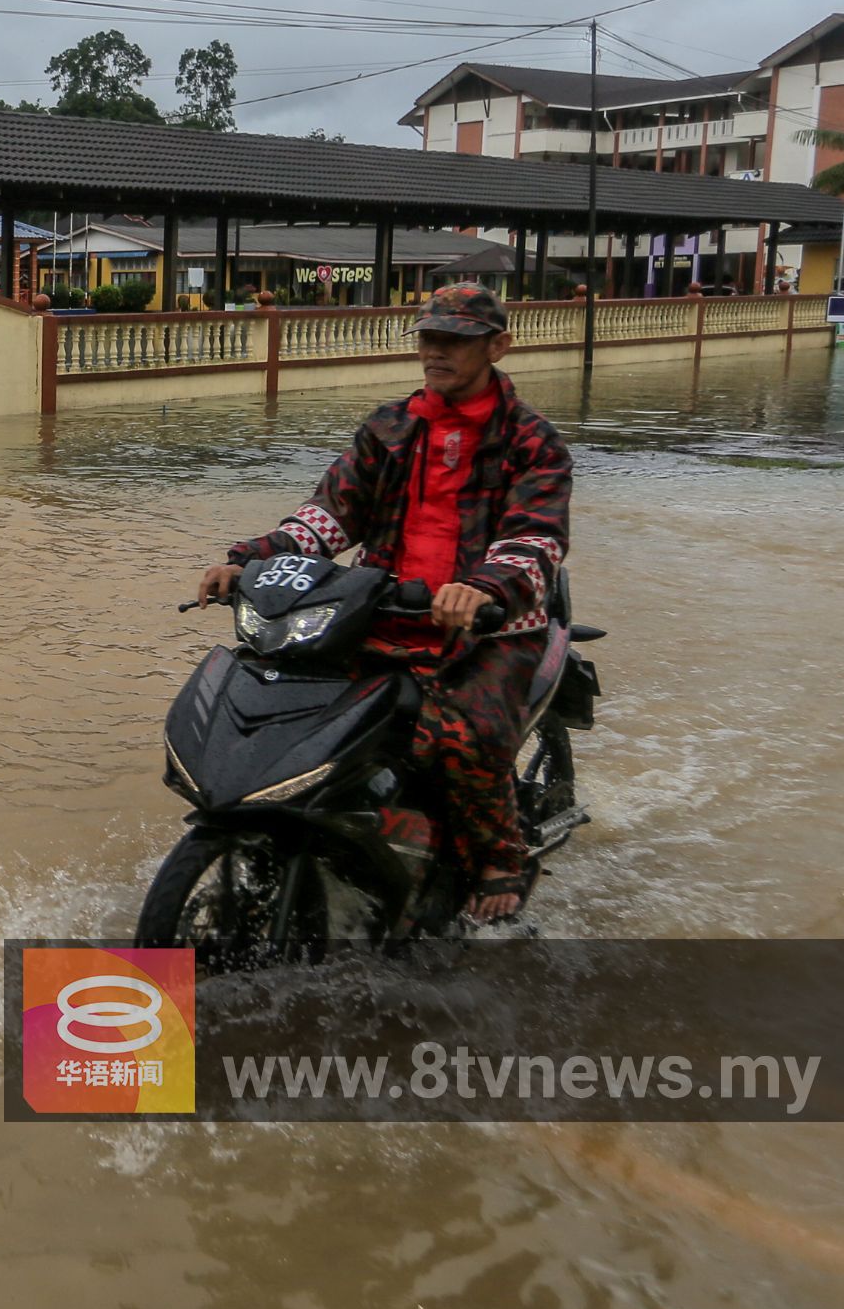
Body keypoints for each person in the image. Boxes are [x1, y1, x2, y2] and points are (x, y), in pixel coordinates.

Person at [193, 284, 572, 922]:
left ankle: (501, 858)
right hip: (381, 613)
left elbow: (535, 537)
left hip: (491, 630)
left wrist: (483, 588)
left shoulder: (532, 441)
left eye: (455, 339)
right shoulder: (389, 427)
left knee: (457, 733)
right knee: (291, 703)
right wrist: (250, 557)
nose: (437, 350)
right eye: (430, 337)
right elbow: (330, 516)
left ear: (498, 346)